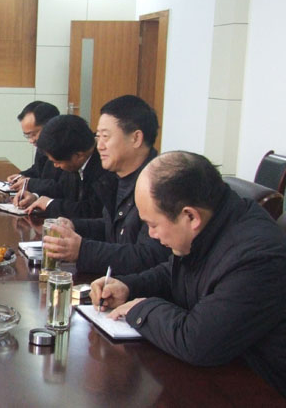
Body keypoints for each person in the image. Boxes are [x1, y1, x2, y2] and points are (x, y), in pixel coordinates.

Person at [91, 151, 286, 397]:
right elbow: (175, 272)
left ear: (190, 216)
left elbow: (197, 342)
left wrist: (141, 309)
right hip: (221, 372)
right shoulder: (216, 220)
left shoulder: (256, 258)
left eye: (153, 225)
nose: (151, 235)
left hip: (259, 388)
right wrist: (129, 287)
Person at [42, 95, 169, 275]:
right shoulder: (116, 178)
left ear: (136, 138)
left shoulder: (160, 186)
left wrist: (83, 250)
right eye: (98, 136)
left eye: (106, 136)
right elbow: (115, 229)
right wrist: (74, 226)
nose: (99, 146)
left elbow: (150, 256)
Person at [12, 114, 113, 219]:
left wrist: (49, 204)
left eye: (57, 162)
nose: (55, 166)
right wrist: (35, 197)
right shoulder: (73, 158)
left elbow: (91, 211)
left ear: (78, 156)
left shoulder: (106, 168)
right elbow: (62, 190)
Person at [6, 101, 62, 192]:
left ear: (50, 127)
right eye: (27, 135)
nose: (31, 141)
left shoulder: (66, 149)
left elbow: (62, 187)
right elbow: (37, 170)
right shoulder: (42, 147)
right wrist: (21, 176)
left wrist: (29, 184)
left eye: (33, 134)